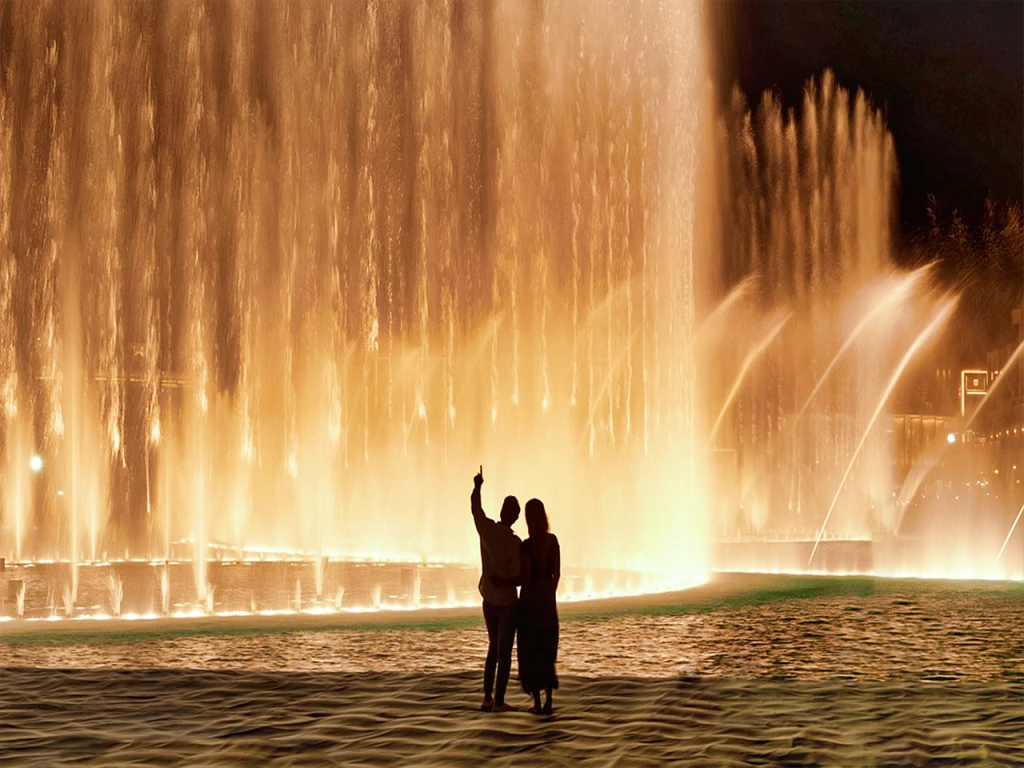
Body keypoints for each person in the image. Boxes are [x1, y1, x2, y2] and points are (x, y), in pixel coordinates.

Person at [471, 466, 521, 713]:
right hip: (508, 603)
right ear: (516, 517)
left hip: (489, 600)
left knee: (493, 648)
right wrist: (508, 582)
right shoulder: (515, 543)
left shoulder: (487, 531)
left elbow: (476, 511)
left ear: (502, 512)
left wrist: (477, 487)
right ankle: (499, 701)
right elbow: (521, 576)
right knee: (504, 652)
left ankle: (487, 697)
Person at [516, 498, 560, 715]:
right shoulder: (553, 541)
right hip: (547, 602)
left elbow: (524, 577)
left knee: (531, 648)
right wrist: (549, 593)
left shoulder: (526, 545)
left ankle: (538, 703)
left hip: (530, 602)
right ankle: (549, 701)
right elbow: (557, 574)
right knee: (546, 648)